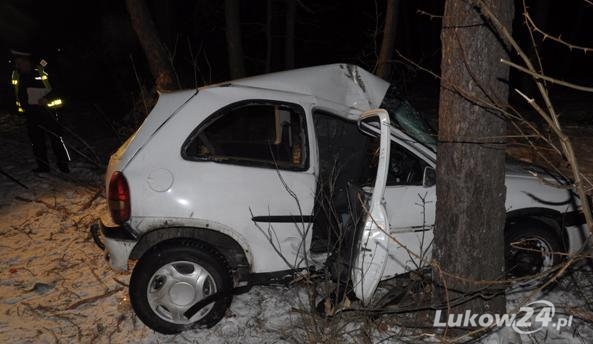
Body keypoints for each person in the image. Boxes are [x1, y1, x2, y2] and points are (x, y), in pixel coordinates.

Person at [10, 49, 70, 173]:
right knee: (36, 141)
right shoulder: (17, 74)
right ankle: (43, 166)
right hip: (31, 113)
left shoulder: (43, 70)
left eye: (20, 63)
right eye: (17, 64)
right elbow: (16, 93)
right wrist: (20, 108)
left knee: (56, 139)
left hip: (48, 111)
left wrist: (47, 99)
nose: (18, 66)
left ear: (27, 61)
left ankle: (63, 164)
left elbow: (59, 87)